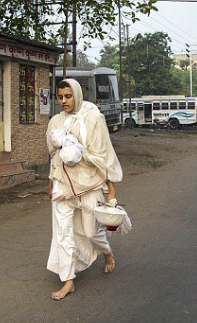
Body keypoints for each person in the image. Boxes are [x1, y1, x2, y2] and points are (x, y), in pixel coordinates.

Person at [46, 79, 123, 301]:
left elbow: (104, 154)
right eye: (60, 97)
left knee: (91, 232)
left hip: (89, 184)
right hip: (62, 185)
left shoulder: (93, 118)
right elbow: (53, 156)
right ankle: (68, 281)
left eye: (67, 96)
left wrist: (111, 187)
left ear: (77, 95)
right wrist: (50, 182)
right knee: (62, 234)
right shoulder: (55, 122)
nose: (63, 101)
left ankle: (107, 253)